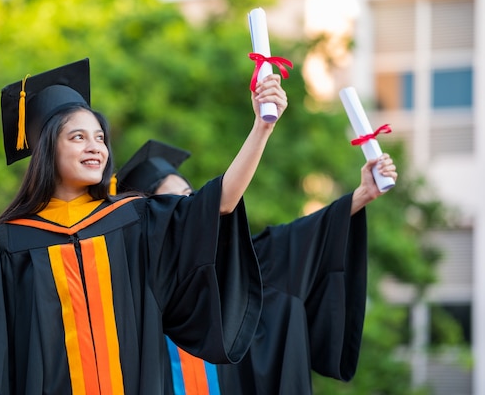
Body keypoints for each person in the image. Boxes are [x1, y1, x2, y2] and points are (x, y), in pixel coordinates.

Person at [0, 57, 289, 395]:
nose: (95, 147)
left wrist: (262, 127)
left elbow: (220, 203)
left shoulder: (134, 221)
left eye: (99, 137)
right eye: (78, 137)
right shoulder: (12, 242)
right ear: (48, 148)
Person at [115, 139, 398, 394]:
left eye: (190, 193)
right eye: (174, 200)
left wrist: (362, 195)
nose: (189, 204)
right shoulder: (125, 280)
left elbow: (293, 243)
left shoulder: (228, 266)